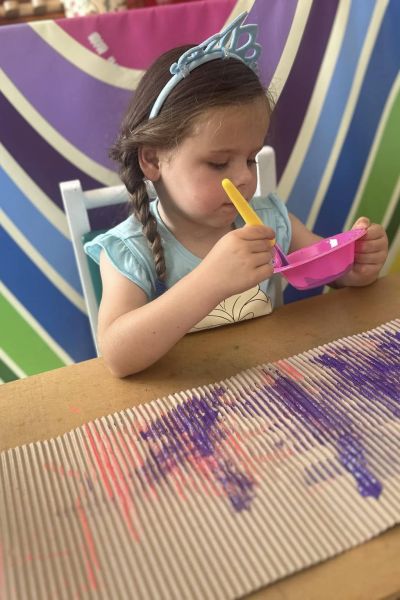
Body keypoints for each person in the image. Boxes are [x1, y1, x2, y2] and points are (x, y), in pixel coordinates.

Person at [85, 13, 388, 377]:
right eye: (218, 163)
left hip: (269, 384)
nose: (245, 178)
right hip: (184, 399)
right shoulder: (130, 250)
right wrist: (210, 280)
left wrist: (357, 266)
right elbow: (118, 357)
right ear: (152, 160)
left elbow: (330, 274)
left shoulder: (270, 220)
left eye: (250, 158)